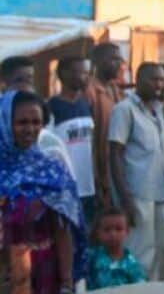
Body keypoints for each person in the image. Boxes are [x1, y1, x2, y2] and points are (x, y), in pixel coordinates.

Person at [1, 89, 88, 294]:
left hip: (46, 272)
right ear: (4, 123)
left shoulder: (52, 169)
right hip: (5, 275)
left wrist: (66, 283)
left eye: (36, 122)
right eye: (22, 122)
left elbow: (63, 230)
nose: (30, 129)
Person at [108, 61, 164, 281]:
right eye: (154, 79)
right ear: (139, 80)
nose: (159, 85)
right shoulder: (124, 110)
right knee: (142, 254)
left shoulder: (158, 111)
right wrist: (124, 197)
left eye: (162, 80)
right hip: (137, 193)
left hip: (161, 192)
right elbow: (115, 153)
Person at [3, 56, 74, 179]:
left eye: (30, 81)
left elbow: (68, 183)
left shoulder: (51, 146)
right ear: (3, 84)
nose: (25, 87)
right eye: (19, 81)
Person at [48, 56, 97, 222]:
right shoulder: (52, 107)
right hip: (66, 186)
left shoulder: (86, 104)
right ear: (64, 74)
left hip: (88, 185)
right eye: (80, 72)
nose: (86, 77)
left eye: (87, 73)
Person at [85, 43, 125, 210]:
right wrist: (96, 177)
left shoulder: (116, 91)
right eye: (114, 59)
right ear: (98, 61)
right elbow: (89, 142)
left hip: (116, 170)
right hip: (99, 173)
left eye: (120, 59)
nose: (120, 64)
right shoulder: (90, 91)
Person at [86, 207, 147, 290]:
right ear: (98, 232)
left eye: (118, 229)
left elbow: (141, 287)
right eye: (107, 230)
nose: (113, 234)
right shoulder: (91, 257)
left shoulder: (132, 263)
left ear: (127, 231)